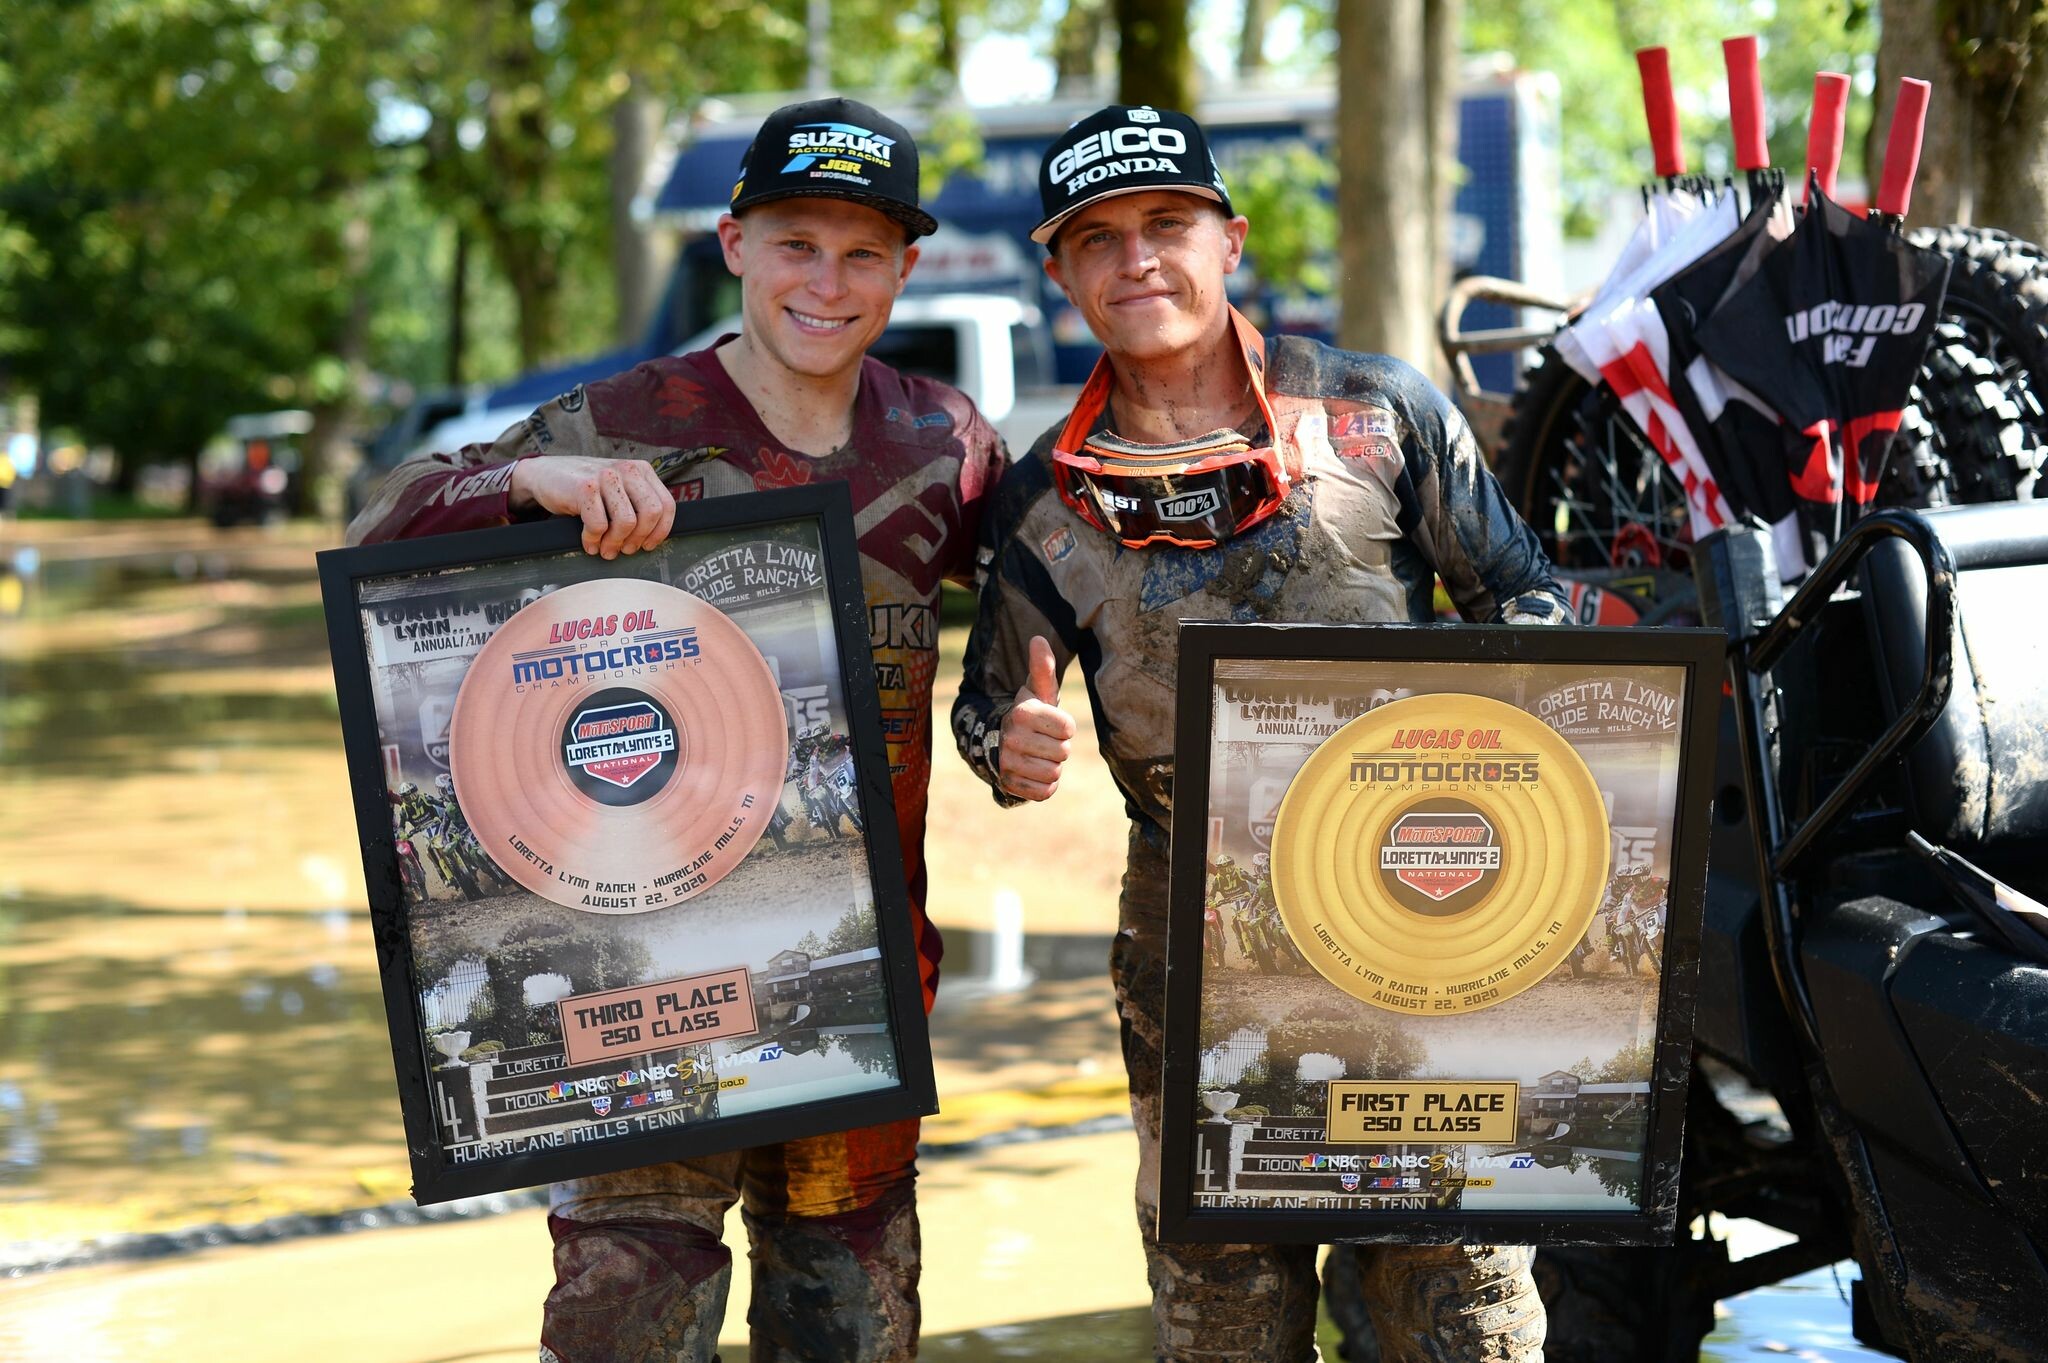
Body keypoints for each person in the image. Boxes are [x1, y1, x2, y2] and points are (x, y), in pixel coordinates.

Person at [347, 97, 1005, 1363]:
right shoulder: (620, 417)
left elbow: (1036, 612)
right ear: (733, 243)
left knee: (849, 1332)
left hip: (853, 989)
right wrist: (527, 483)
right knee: (619, 1329)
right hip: (637, 986)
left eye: (863, 251)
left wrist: (1011, 715)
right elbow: (382, 529)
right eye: (796, 242)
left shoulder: (944, 439)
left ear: (905, 268)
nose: (828, 279)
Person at [951, 105, 1572, 1362]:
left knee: (1462, 1306)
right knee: (1221, 1312)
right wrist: (1005, 749)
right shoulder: (1039, 492)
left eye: (1166, 225)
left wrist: (1461, 723)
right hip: (1186, 933)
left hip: (1426, 899)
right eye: (1100, 239)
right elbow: (983, 710)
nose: (1138, 260)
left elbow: (1532, 603)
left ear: (1226, 241)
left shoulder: (1379, 413)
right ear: (1060, 271)